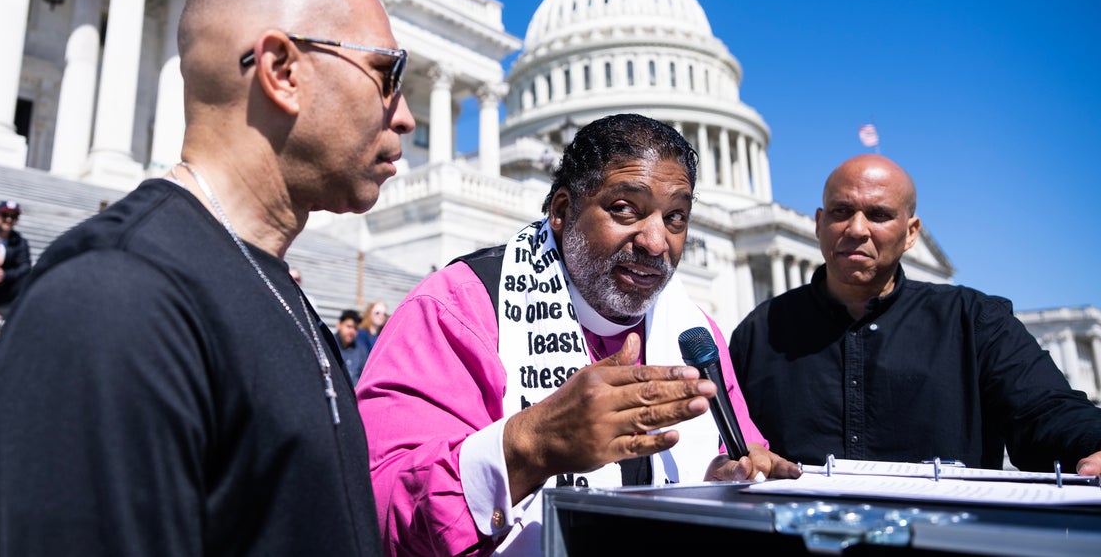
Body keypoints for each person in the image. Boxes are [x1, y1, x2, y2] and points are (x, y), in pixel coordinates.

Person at [0, 0, 413, 555]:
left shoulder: (261, 280)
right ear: (283, 71)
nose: (405, 116)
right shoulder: (110, 299)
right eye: (387, 74)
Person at [356, 114, 799, 556]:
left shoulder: (696, 334)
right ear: (563, 211)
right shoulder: (457, 309)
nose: (655, 242)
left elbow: (744, 453)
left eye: (675, 217)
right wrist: (529, 447)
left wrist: (722, 487)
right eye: (624, 208)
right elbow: (374, 509)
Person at [728, 153, 1101, 475]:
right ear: (819, 223)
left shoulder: (974, 320)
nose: (856, 229)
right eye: (842, 212)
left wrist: (1092, 443)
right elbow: (729, 437)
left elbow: (1044, 409)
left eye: (878, 215)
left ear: (911, 233)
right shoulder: (759, 333)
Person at [337, 308, 370, 386]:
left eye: (355, 328)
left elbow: (365, 375)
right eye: (349, 326)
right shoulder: (329, 344)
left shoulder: (361, 349)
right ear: (339, 325)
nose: (352, 331)